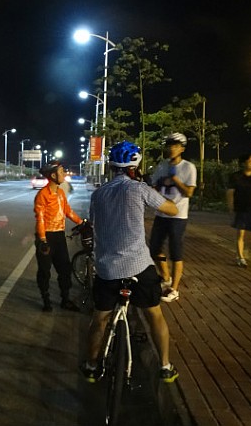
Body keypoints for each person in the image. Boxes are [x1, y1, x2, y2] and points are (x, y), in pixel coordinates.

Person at [81, 141, 180, 383]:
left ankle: (91, 366)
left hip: (106, 269)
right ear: (135, 167)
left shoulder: (98, 194)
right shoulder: (139, 189)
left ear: (111, 167)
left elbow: (93, 223)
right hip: (139, 267)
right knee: (154, 315)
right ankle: (165, 367)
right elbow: (172, 210)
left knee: (99, 319)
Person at [148, 132, 197, 303]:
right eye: (169, 145)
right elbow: (154, 187)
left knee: (176, 252)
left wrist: (175, 179)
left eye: (175, 146)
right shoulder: (161, 166)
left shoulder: (188, 167)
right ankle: (166, 277)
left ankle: (174, 289)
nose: (171, 149)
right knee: (154, 249)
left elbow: (189, 192)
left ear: (182, 149)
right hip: (161, 213)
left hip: (178, 216)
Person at [33, 160, 84, 312]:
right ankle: (46, 299)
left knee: (65, 269)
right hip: (46, 237)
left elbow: (67, 211)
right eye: (61, 172)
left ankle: (65, 300)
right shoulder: (42, 195)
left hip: (59, 236)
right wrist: (43, 240)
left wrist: (82, 223)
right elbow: (40, 218)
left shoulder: (60, 193)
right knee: (44, 271)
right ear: (53, 175)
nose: (64, 174)